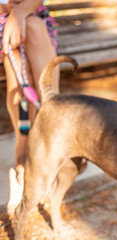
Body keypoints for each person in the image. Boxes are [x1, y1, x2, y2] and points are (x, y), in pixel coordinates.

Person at [0, 0, 59, 215]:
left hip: (34, 18)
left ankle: (49, 133)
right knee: (14, 48)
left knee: (33, 27)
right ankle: (23, 152)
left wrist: (20, 11)